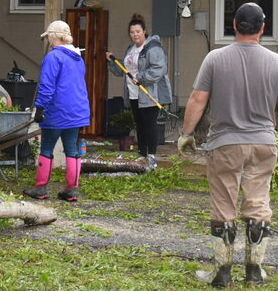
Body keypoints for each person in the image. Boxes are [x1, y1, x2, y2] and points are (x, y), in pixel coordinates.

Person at [175, 3, 278, 286]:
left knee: (224, 205)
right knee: (258, 203)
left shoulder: (214, 59)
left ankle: (222, 273)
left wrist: (187, 133)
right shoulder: (276, 62)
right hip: (263, 144)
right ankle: (254, 271)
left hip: (225, 144)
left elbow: (197, 99)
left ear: (234, 26)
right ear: (262, 28)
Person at [24, 19, 91, 202]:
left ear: (54, 36)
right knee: (72, 149)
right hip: (77, 110)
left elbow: (47, 86)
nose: (48, 41)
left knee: (46, 147)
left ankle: (40, 188)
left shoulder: (53, 57)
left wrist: (40, 107)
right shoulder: (77, 58)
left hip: (57, 110)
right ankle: (71, 189)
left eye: (48, 37)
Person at [107, 13, 171, 168]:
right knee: (139, 125)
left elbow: (158, 69)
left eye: (138, 31)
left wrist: (141, 77)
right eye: (132, 32)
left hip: (149, 93)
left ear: (144, 31)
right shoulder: (131, 49)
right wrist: (113, 61)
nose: (135, 34)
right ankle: (142, 154)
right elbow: (125, 68)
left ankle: (152, 156)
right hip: (134, 93)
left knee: (150, 125)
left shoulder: (153, 48)